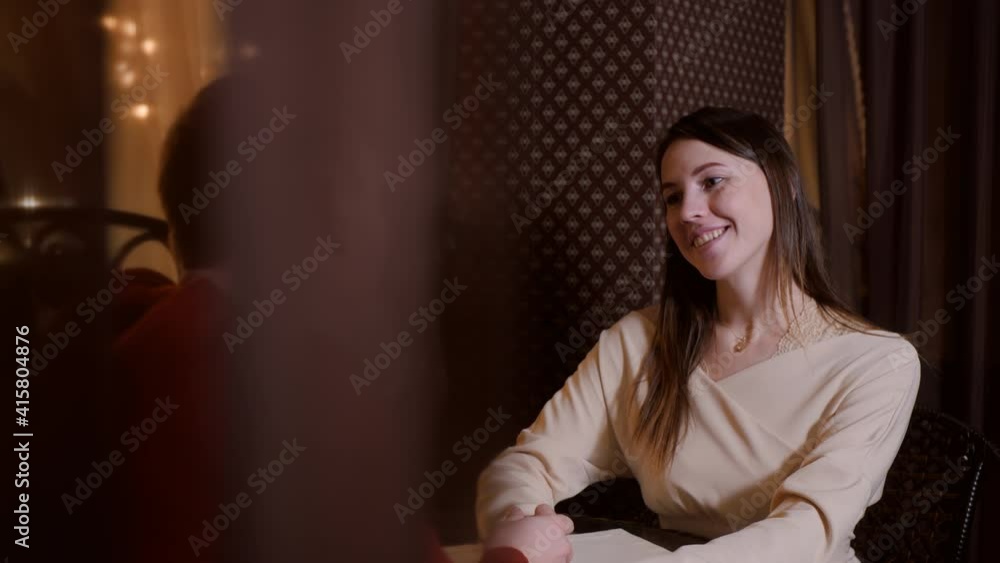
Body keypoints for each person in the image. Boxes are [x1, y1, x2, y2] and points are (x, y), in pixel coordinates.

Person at [475, 107, 920, 562]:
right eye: (672, 197)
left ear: (783, 184)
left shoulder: (878, 362)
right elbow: (528, 463)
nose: (687, 211)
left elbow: (808, 531)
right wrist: (517, 523)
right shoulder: (637, 342)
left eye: (712, 181)